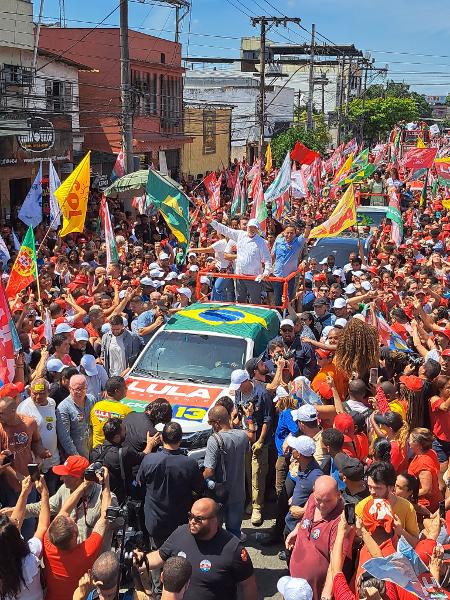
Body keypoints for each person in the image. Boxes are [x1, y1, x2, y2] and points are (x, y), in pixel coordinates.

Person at [137, 422, 204, 599]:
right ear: (180, 440)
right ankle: (180, 589)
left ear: (162, 438)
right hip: (180, 522)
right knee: (180, 557)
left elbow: (139, 484)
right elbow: (200, 488)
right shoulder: (189, 463)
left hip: (155, 521)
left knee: (156, 555)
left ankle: (159, 592)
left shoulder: (149, 459)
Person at [143, 498, 258, 600]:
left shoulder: (233, 548)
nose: (192, 521)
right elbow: (159, 556)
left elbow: (248, 585)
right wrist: (135, 562)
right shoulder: (180, 533)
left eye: (199, 518)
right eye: (190, 516)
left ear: (215, 520)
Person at [43, 466, 111, 600]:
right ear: (75, 535)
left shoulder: (48, 542)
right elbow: (105, 518)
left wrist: (83, 485)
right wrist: (106, 483)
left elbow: (63, 512)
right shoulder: (86, 552)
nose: (71, 516)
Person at [0, 386, 51, 538]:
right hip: (10, 485)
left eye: (2, 413)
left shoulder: (29, 423)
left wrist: (41, 451)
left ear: (13, 410)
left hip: (31, 480)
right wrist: (17, 476)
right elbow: (2, 461)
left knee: (29, 523)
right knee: (11, 524)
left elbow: (35, 441)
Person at [286, 476, 347, 600]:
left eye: (328, 501)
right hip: (295, 586)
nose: (322, 505)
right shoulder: (313, 499)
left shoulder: (340, 521)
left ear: (338, 495)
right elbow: (307, 517)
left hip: (315, 592)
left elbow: (336, 561)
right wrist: (298, 529)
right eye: (318, 499)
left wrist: (326, 594)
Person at [229, 369, 273, 526]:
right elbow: (237, 409)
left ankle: (257, 507)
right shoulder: (239, 393)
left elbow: (268, 419)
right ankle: (252, 500)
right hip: (245, 437)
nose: (238, 388)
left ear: (247, 381)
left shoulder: (262, 394)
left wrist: (260, 440)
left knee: (257, 473)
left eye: (240, 385)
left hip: (259, 439)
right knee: (248, 472)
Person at [0, 474, 50, 600]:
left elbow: (14, 524)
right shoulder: (30, 558)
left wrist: (24, 492)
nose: (14, 519)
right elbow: (43, 526)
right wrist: (44, 494)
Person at [203, 405, 250, 538]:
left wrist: (198, 479)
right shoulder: (242, 435)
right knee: (234, 530)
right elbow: (246, 451)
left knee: (215, 528)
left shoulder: (214, 439)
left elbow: (209, 471)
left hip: (220, 492)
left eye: (210, 422)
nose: (210, 425)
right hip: (239, 490)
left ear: (216, 423)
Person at [90, 417, 158, 505]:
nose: (126, 432)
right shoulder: (124, 452)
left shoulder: (95, 451)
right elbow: (143, 456)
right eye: (124, 430)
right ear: (117, 437)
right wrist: (150, 445)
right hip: (119, 498)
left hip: (100, 497)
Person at [207, 216, 272, 304]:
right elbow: (225, 230)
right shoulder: (240, 235)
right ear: (247, 227)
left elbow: (268, 259)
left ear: (257, 229)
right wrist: (212, 222)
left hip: (254, 277)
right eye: (250, 227)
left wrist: (266, 272)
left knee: (255, 301)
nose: (252, 229)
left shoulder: (261, 242)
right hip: (240, 276)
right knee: (240, 300)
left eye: (254, 228)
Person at [355, 462, 419, 543]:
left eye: (378, 488)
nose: (372, 492)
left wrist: (401, 532)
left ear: (391, 487)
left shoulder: (407, 507)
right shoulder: (362, 506)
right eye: (370, 487)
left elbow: (416, 543)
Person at [17, 378, 60, 494]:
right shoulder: (24, 408)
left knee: (51, 493)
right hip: (34, 462)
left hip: (52, 460)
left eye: (42, 393)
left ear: (48, 392)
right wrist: (38, 450)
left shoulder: (52, 403)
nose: (38, 397)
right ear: (30, 391)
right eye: (34, 393)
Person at [284, 435, 323, 534]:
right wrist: (295, 496)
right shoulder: (302, 466)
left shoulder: (316, 476)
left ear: (298, 454)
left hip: (300, 527)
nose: (291, 450)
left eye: (294, 448)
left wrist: (303, 510)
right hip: (291, 522)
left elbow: (320, 499)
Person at [56, 374, 96, 459]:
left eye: (83, 389)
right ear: (70, 388)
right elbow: (64, 437)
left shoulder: (91, 400)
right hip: (77, 458)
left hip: (93, 453)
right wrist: (77, 457)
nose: (80, 392)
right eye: (77, 389)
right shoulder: (63, 408)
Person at [271, 224, 310, 307]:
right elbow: (272, 256)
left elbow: (306, 235)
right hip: (278, 276)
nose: (289, 235)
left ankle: (287, 315)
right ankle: (280, 316)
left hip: (291, 277)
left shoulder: (298, 242)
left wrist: (308, 225)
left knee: (288, 299)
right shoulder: (278, 241)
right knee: (277, 300)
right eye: (287, 233)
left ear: (295, 234)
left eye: (292, 233)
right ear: (283, 233)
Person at [90, 376, 132, 447]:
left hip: (96, 451)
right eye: (125, 387)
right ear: (117, 391)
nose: (126, 388)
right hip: (114, 452)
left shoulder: (96, 406)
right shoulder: (126, 410)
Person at [408, 427, 441, 513]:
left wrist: (406, 494)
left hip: (425, 507)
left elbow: (426, 489)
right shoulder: (430, 452)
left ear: (417, 445)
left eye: (410, 440)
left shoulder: (423, 464)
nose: (409, 442)